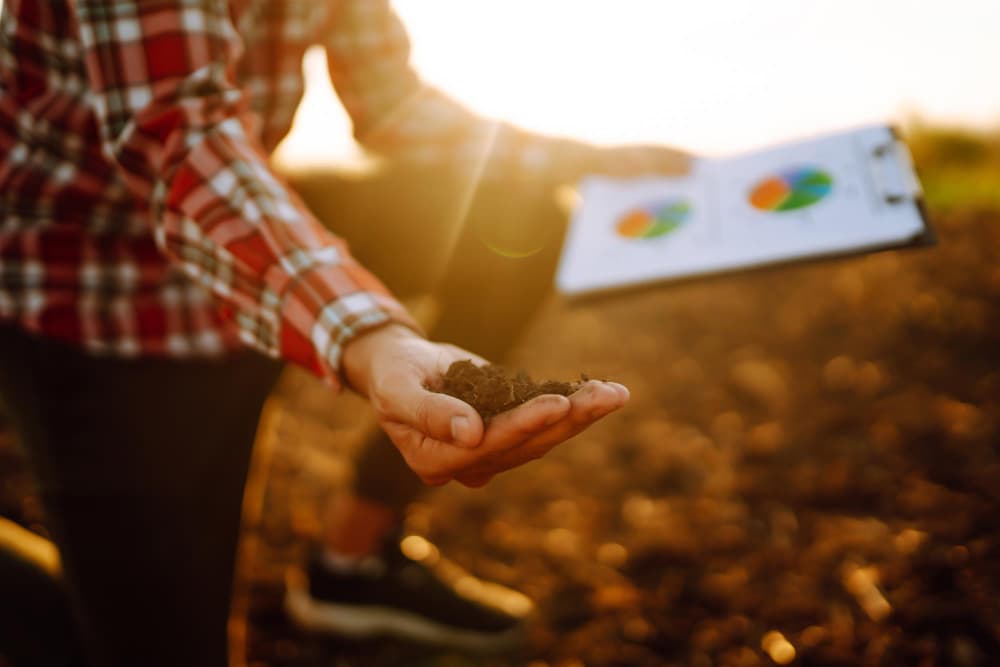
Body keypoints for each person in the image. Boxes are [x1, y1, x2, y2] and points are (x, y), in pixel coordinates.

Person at [0, 1, 687, 664]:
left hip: (251, 234)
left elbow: (390, 103)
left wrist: (584, 161)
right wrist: (371, 335)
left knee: (520, 223)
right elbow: (183, 141)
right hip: (94, 287)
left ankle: (351, 561)